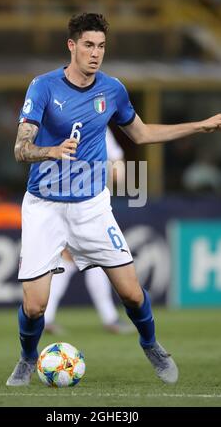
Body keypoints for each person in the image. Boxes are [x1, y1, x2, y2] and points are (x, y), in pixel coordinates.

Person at [6, 12, 221, 386]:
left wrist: (200, 124)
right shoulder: (43, 87)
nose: (95, 54)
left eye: (101, 47)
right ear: (72, 46)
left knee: (130, 292)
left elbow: (141, 134)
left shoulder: (112, 89)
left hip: (91, 207)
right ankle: (28, 359)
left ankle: (152, 344)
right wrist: (50, 151)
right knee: (35, 305)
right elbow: (20, 148)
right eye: (89, 46)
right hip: (44, 205)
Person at [44, 128, 133, 335]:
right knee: (90, 258)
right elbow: (118, 169)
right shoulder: (99, 124)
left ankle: (46, 317)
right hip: (86, 203)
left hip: (57, 198)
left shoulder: (58, 120)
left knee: (71, 258)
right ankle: (109, 318)